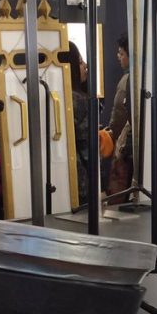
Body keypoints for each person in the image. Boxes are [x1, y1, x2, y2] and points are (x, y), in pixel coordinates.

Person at [105, 35, 133, 201]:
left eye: (122, 53)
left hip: (125, 143)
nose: (118, 56)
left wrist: (111, 133)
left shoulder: (126, 81)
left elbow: (119, 113)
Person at [66, 42, 92, 201]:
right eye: (81, 62)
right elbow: (87, 148)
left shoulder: (50, 96)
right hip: (81, 182)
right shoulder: (80, 101)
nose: (85, 66)